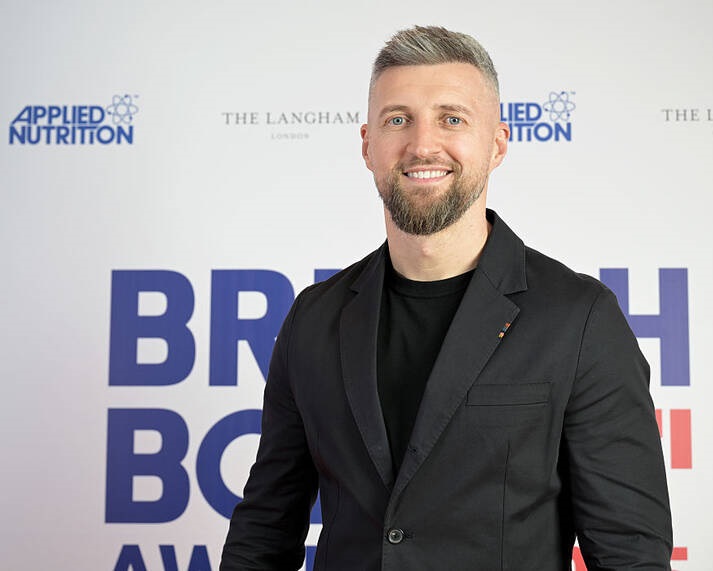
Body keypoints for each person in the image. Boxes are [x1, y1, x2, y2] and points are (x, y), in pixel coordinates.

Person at [221, 25, 673, 571]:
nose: (422, 145)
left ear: (498, 143)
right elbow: (263, 533)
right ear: (367, 145)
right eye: (398, 120)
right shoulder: (314, 318)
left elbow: (630, 554)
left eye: (451, 119)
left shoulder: (579, 319)